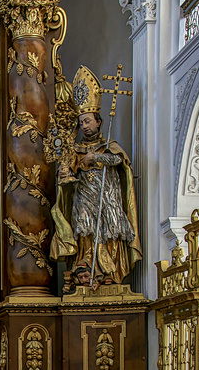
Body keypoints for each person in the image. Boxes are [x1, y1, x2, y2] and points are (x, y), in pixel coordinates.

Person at [49, 66, 141, 288]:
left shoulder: (108, 145)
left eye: (88, 121)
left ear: (98, 121)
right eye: (81, 122)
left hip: (106, 196)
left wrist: (97, 158)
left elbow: (120, 161)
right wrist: (67, 173)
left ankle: (109, 272)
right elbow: (67, 174)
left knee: (107, 229)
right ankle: (86, 269)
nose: (84, 126)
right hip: (84, 198)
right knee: (85, 231)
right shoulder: (76, 148)